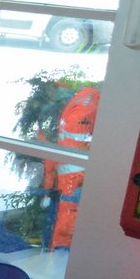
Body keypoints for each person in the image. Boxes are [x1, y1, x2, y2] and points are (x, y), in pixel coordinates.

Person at [47, 85, 100, 250]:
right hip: (75, 176)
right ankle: (60, 248)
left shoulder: (84, 104)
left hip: (72, 177)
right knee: (68, 217)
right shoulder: (87, 103)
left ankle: (59, 249)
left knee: (67, 218)